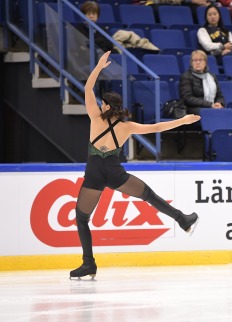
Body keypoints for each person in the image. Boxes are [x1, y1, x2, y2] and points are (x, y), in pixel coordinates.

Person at [70, 51, 201, 280]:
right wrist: (182, 120)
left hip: (93, 172)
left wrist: (99, 67)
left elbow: (87, 88)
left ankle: (88, 263)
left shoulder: (94, 117)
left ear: (106, 106)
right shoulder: (126, 126)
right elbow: (157, 128)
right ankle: (182, 219)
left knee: (81, 218)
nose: (99, 105)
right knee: (148, 195)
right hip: (113, 172)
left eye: (102, 103)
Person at [179, 50, 225, 116]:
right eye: (195, 60)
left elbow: (219, 95)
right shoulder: (186, 76)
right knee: (209, 113)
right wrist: (210, 105)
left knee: (224, 111)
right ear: (191, 63)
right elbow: (187, 98)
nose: (198, 62)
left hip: (211, 107)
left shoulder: (212, 76)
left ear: (205, 62)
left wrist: (219, 103)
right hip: (192, 109)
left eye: (200, 60)